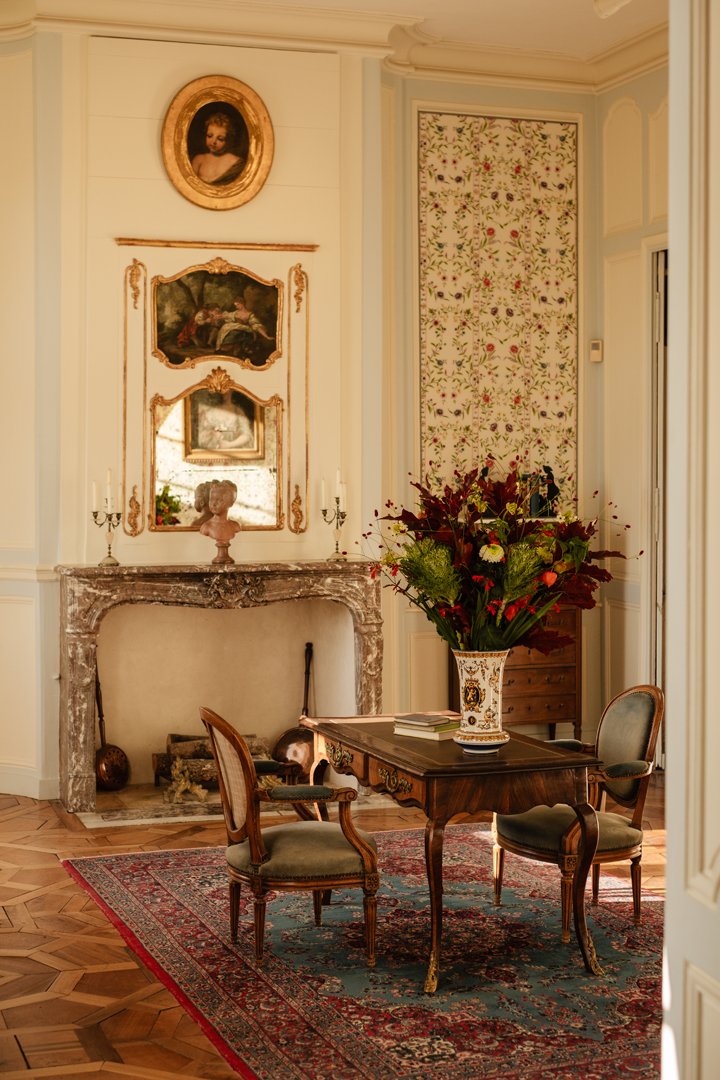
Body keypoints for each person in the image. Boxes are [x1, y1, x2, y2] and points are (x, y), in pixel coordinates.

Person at [191, 112, 245, 185]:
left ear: (228, 140)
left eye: (220, 139)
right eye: (209, 136)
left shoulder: (236, 163)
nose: (213, 141)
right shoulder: (198, 159)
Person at [199, 480, 241, 545]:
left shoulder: (235, 526)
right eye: (211, 499)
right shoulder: (206, 527)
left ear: (231, 503)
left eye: (219, 500)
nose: (213, 504)